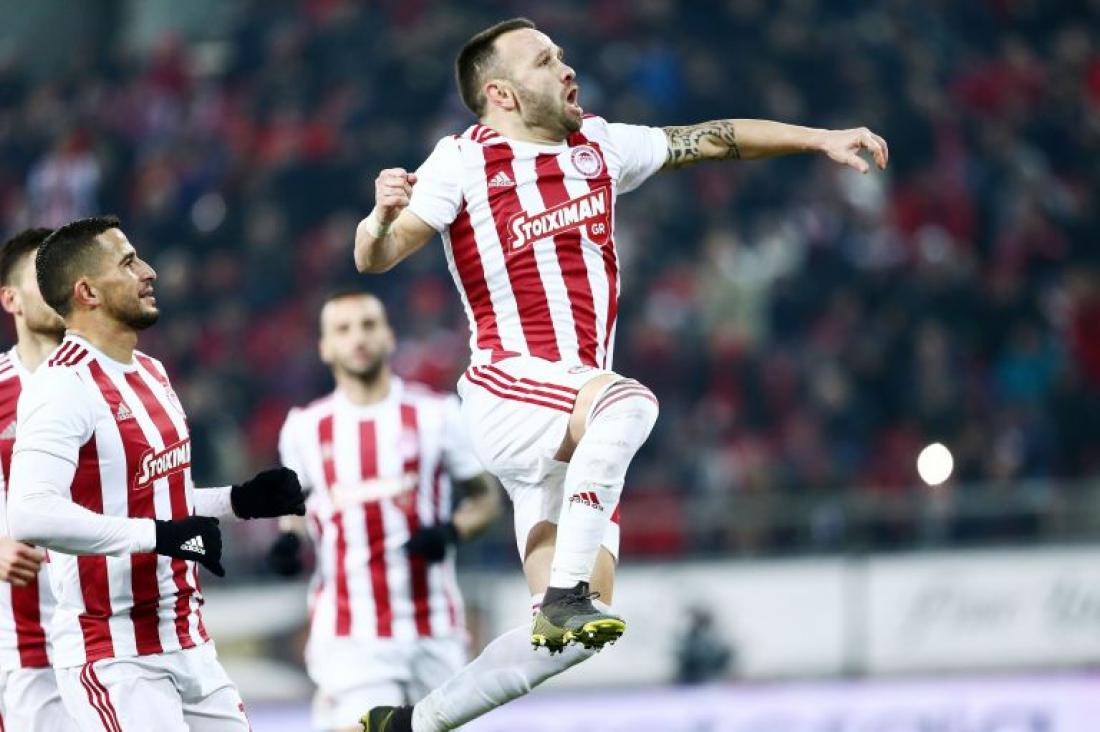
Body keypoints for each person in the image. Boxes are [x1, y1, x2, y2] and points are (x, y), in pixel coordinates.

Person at [353, 17, 888, 731]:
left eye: (561, 55)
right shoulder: (463, 160)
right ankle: (564, 595)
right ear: (502, 93)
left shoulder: (599, 147)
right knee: (631, 404)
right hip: (512, 389)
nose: (566, 68)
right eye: (545, 61)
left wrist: (818, 139)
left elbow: (712, 138)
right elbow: (376, 256)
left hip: (572, 423)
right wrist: (379, 217)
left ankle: (411, 724)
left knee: (574, 638)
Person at [6, 215, 307, 731]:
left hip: (188, 638)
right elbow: (31, 513)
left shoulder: (151, 371)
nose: (148, 271)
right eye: (128, 263)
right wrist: (159, 536)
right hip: (116, 655)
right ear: (87, 292)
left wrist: (238, 501)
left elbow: (153, 497)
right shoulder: (61, 386)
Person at [271, 290, 500, 732]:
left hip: (435, 628)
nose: (358, 338)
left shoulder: (436, 414)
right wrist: (289, 539)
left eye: (369, 325)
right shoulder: (304, 428)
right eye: (344, 329)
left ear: (390, 336)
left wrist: (451, 532)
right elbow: (295, 508)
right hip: (351, 634)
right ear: (325, 347)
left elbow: (485, 498)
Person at [0, 227, 73, 730]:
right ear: (11, 299)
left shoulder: (115, 381)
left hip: (121, 640)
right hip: (30, 647)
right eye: (41, 275)